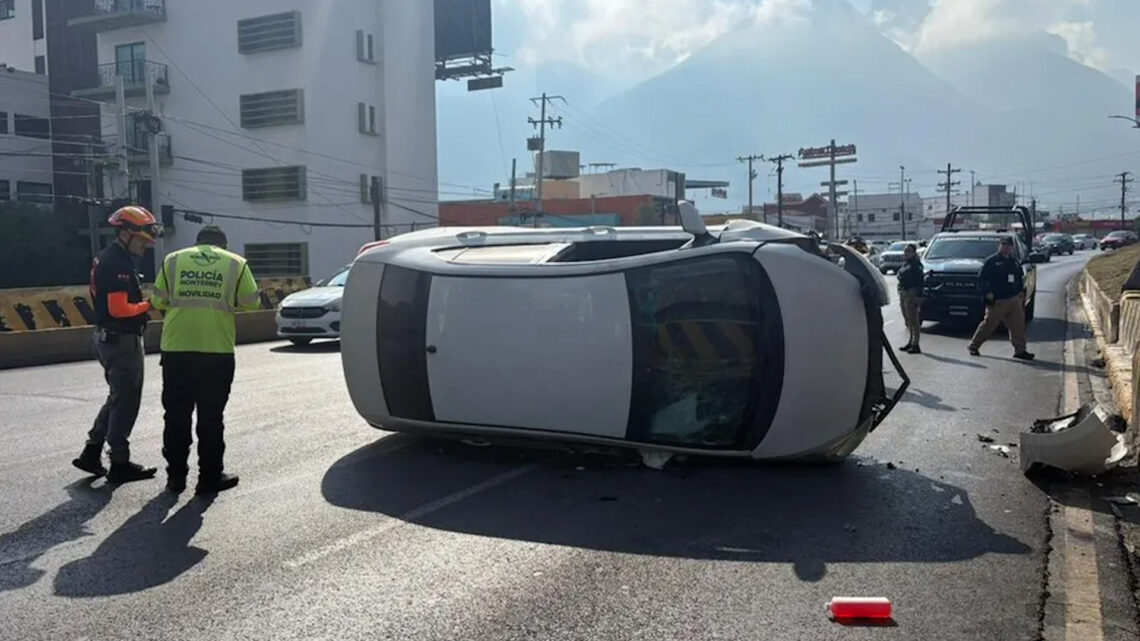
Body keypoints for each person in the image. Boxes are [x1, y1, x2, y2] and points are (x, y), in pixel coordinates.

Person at [151, 226, 261, 495]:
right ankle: (209, 478)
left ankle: (175, 477)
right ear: (222, 246)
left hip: (176, 349)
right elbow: (252, 303)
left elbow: (157, 300)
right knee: (211, 417)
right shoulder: (236, 263)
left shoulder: (173, 260)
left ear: (197, 243)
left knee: (176, 415)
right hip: (216, 350)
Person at [72, 206, 161, 483]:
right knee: (126, 401)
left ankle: (92, 451)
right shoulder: (118, 263)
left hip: (108, 338)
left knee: (116, 397)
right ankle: (119, 463)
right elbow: (120, 309)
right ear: (125, 233)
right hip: (121, 340)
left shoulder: (109, 257)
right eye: (142, 240)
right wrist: (151, 303)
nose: (146, 246)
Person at [968, 236, 1035, 360]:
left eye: (1009, 245)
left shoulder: (1014, 262)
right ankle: (974, 345)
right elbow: (981, 279)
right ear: (1000, 245)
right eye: (1004, 245)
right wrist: (987, 292)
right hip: (998, 300)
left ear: (1011, 247)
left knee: (1018, 326)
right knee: (989, 325)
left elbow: (1019, 278)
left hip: (1014, 299)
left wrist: (1020, 293)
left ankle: (1020, 350)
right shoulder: (992, 261)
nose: (1006, 247)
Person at [896, 244, 924, 354]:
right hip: (904, 292)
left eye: (908, 251)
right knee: (907, 320)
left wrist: (919, 297)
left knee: (913, 320)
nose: (906, 253)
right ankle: (910, 341)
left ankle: (915, 344)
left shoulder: (916, 265)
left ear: (914, 253)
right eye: (905, 251)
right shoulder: (906, 263)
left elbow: (920, 282)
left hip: (912, 293)